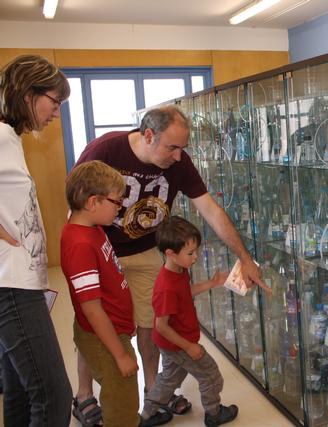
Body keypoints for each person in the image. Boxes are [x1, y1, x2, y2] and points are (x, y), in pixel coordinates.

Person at [74, 105, 267, 420]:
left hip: (145, 249)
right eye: (172, 147)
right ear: (149, 135)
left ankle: (155, 391)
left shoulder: (179, 162)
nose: (178, 156)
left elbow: (211, 210)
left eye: (183, 148)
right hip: (103, 250)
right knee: (95, 324)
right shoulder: (105, 150)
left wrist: (245, 258)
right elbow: (75, 209)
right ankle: (84, 394)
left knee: (151, 321)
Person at [0, 54, 73, 426]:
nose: (56, 113)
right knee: (54, 397)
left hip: (19, 281)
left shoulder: (10, 137)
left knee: (19, 394)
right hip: (11, 286)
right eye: (54, 102)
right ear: (28, 94)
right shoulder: (0, 135)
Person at [61, 160, 142, 427]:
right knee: (122, 405)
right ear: (92, 202)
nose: (120, 207)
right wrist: (120, 354)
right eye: (116, 202)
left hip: (113, 328)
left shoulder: (92, 227)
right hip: (105, 338)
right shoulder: (80, 245)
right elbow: (92, 309)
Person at [140, 216, 235, 427]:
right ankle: (214, 413)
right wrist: (188, 346)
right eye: (190, 253)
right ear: (170, 254)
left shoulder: (178, 270)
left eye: (196, 250)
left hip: (172, 344)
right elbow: (161, 325)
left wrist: (212, 282)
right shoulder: (166, 287)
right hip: (178, 343)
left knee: (169, 379)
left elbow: (185, 293)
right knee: (210, 375)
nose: (196, 256)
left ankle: (147, 415)